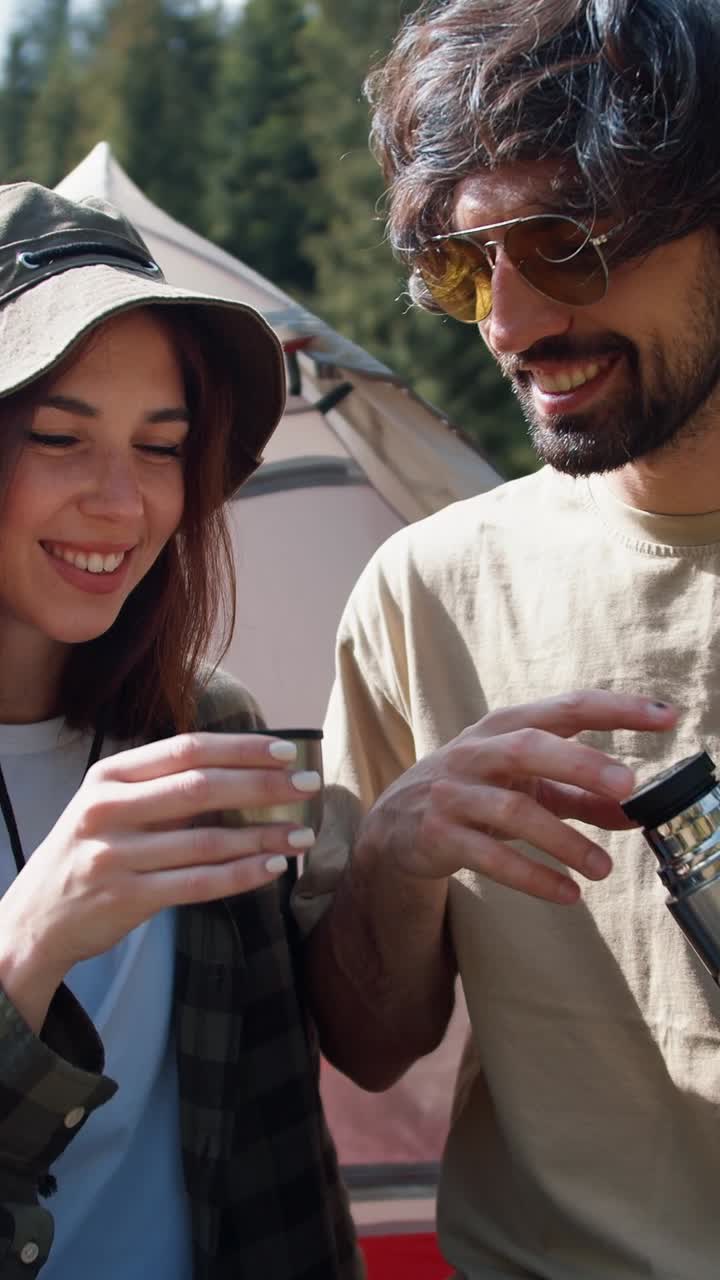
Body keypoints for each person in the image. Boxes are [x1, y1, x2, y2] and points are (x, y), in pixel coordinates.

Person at [294, 0, 720, 1276]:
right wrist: (395, 860)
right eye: (466, 269)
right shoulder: (427, 591)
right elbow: (370, 1044)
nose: (512, 324)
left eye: (566, 244)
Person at [0, 181, 360, 1280]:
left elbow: (277, 1133)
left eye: (162, 448)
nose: (123, 503)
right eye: (61, 435)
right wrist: (27, 945)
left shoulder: (208, 729)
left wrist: (407, 857)